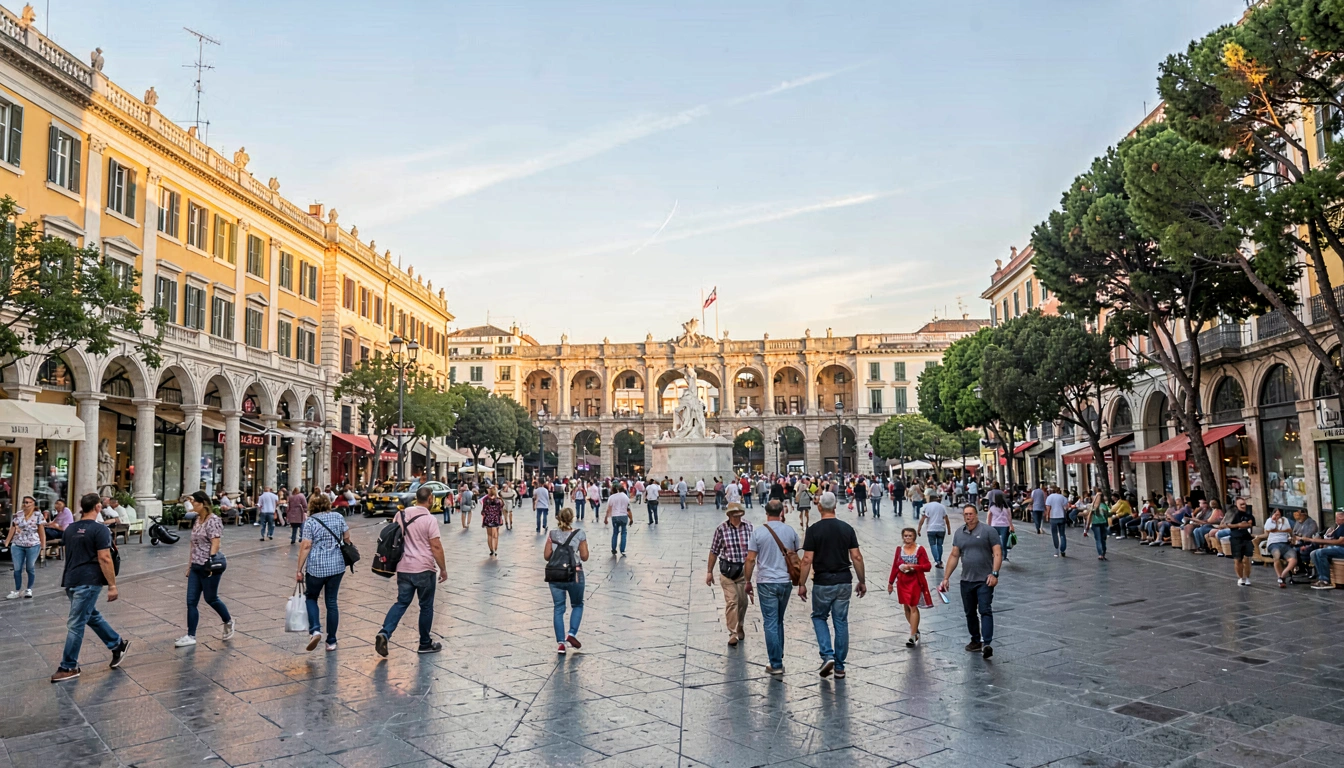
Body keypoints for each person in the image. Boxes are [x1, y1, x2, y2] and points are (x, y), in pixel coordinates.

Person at [51, 493, 129, 682]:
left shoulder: (70, 529)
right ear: (97, 508)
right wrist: (112, 585)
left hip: (72, 580)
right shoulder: (100, 530)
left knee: (77, 622)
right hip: (88, 580)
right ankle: (116, 644)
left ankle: (68, 666)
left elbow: (71, 552)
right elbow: (104, 558)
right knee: (85, 618)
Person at [797, 492, 865, 678]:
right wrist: (862, 580)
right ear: (835, 506)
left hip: (823, 581)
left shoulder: (813, 530)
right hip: (843, 580)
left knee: (819, 616)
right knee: (841, 621)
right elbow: (856, 556)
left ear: (819, 507)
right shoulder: (846, 528)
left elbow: (806, 559)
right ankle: (840, 666)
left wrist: (801, 583)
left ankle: (827, 654)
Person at [375, 486, 446, 656]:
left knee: (401, 603)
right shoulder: (430, 519)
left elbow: (395, 536)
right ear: (430, 499)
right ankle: (424, 643)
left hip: (404, 567)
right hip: (424, 568)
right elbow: (436, 546)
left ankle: (385, 632)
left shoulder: (401, 514)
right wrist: (443, 569)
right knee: (426, 606)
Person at [938, 504, 1002, 659]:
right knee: (969, 612)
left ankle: (986, 643)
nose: (968, 517)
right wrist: (946, 578)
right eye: (966, 514)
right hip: (966, 580)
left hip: (984, 579)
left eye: (971, 514)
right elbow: (954, 555)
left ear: (976, 514)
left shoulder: (988, 531)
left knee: (985, 610)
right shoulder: (959, 533)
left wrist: (994, 574)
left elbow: (997, 553)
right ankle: (975, 640)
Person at [744, 499, 799, 676]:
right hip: (785, 581)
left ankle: (776, 663)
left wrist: (747, 581)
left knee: (770, 621)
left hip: (766, 581)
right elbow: (796, 555)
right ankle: (778, 652)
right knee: (779, 619)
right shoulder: (790, 531)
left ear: (766, 513)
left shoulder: (758, 533)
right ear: (782, 512)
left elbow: (751, 559)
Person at [174, 491, 235, 648]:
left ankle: (228, 620)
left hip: (208, 566)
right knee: (191, 601)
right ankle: (191, 635)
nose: (192, 505)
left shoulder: (213, 520)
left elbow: (216, 542)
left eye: (194, 502)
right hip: (196, 565)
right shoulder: (197, 519)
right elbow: (193, 544)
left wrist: (211, 561)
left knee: (211, 598)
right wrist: (189, 566)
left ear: (202, 503)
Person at [294, 494, 350, 652]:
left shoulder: (310, 522)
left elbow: (306, 546)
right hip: (337, 566)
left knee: (311, 597)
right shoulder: (338, 517)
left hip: (316, 568)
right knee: (331, 602)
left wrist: (299, 569)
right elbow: (347, 537)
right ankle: (331, 641)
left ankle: (315, 630)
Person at [706, 503, 753, 647]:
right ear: (729, 515)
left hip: (744, 572)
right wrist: (709, 572)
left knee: (743, 603)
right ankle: (732, 633)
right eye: (734, 515)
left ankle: (740, 625)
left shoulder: (749, 527)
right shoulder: (721, 529)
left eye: (739, 514)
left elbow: (755, 550)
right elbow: (714, 551)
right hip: (728, 572)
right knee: (732, 601)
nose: (737, 517)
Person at [546, 508, 590, 654]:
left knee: (558, 608)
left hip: (555, 575)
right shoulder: (579, 534)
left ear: (558, 518)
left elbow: (547, 556)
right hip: (574, 574)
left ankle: (561, 644)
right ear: (572, 518)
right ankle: (571, 634)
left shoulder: (552, 534)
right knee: (577, 604)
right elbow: (584, 556)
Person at [887, 527, 932, 647]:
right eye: (905, 536)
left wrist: (914, 566)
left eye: (910, 536)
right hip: (902, 582)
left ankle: (912, 635)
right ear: (902, 537)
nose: (907, 538)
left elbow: (927, 566)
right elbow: (895, 566)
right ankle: (915, 629)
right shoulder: (899, 550)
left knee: (913, 606)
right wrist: (890, 582)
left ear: (914, 537)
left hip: (915, 581)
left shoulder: (920, 549)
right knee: (906, 607)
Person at [6, 496, 45, 599]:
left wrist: (43, 545)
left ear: (33, 504)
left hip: (33, 544)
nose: (26, 504)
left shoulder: (38, 515)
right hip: (18, 543)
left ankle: (29, 589)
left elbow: (41, 531)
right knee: (17, 568)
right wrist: (7, 542)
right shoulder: (17, 515)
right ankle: (17, 590)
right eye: (24, 502)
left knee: (30, 567)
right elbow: (13, 529)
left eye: (28, 502)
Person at [1217, 497, 1257, 586]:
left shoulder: (1249, 515)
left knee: (1247, 559)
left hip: (1246, 538)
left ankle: (1247, 577)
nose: (1243, 506)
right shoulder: (1232, 514)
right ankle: (1240, 577)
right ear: (1236, 505)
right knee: (1237, 560)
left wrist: (1233, 525)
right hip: (1235, 538)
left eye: (1244, 504)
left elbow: (1249, 524)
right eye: (1241, 504)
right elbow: (1222, 525)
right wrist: (1238, 525)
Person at [1306, 511, 1344, 589]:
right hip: (1336, 548)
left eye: (1337, 518)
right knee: (1313, 553)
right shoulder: (1339, 527)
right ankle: (1321, 577)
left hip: (1341, 548)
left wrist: (1315, 541)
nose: (1335, 520)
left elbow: (1340, 541)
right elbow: (1332, 538)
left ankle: (1325, 580)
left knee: (1321, 552)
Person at [916, 492, 949, 568]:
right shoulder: (942, 506)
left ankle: (937, 560)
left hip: (931, 529)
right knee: (940, 545)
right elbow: (946, 519)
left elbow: (923, 518)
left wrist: (919, 529)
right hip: (941, 529)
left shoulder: (927, 506)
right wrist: (949, 530)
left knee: (933, 544)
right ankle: (939, 560)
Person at [1263, 509, 1293, 588]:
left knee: (1292, 557)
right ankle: (1280, 577)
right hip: (1273, 543)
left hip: (1284, 542)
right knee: (1277, 555)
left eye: (1278, 515)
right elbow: (1268, 531)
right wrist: (1273, 521)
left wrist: (1281, 531)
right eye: (1275, 514)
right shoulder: (1269, 521)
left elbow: (1289, 530)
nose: (1277, 516)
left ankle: (1283, 576)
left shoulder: (1285, 520)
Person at [604, 482, 631, 555]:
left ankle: (613, 548)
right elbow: (628, 509)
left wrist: (606, 518)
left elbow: (608, 509)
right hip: (623, 516)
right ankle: (622, 549)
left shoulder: (611, 497)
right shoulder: (625, 497)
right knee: (624, 533)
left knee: (615, 533)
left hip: (615, 517)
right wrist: (631, 519)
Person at [986, 495, 1014, 563]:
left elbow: (989, 516)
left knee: (994, 541)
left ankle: (994, 554)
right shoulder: (1006, 507)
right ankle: (1004, 556)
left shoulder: (992, 507)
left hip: (994, 525)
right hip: (1004, 526)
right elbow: (1009, 517)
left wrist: (988, 525)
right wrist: (1011, 525)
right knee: (1004, 542)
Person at [1045, 486, 1070, 557]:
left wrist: (1047, 516)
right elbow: (1066, 507)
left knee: (1054, 534)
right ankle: (1063, 549)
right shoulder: (1063, 497)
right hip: (1061, 516)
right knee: (1062, 534)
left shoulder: (1049, 497)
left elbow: (1048, 508)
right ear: (1059, 491)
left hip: (1053, 517)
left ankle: (1056, 550)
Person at [481, 485, 504, 556]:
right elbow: (501, 508)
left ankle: (491, 549)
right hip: (496, 519)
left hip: (488, 519)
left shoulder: (485, 499)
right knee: (495, 535)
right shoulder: (499, 500)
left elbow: (483, 510)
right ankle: (495, 548)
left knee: (489, 535)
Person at [1088, 493, 1110, 560]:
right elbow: (1108, 514)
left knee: (1098, 539)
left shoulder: (1093, 506)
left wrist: (1087, 526)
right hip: (1103, 523)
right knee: (1103, 539)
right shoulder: (1104, 505)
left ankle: (1100, 554)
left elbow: (1089, 515)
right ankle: (1103, 553)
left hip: (1095, 523)